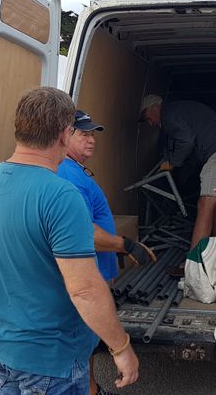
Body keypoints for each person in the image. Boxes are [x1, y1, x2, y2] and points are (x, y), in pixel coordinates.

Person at [0, 87, 139, 394]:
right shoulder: (60, 195)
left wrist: (7, 322)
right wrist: (121, 347)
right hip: (50, 359)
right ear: (64, 133)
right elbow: (84, 289)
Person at [57, 109, 156, 395]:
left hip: (94, 272)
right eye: (83, 134)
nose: (91, 140)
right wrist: (124, 245)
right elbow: (82, 231)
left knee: (85, 343)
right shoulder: (67, 174)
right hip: (87, 276)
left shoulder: (74, 170)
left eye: (93, 135)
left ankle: (90, 388)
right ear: (65, 136)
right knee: (79, 342)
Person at [139, 94, 216, 248]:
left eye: (148, 118)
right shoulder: (179, 110)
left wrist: (173, 163)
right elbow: (193, 147)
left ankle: (194, 257)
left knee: (205, 204)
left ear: (154, 107)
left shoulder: (169, 114)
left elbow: (186, 140)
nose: (151, 123)